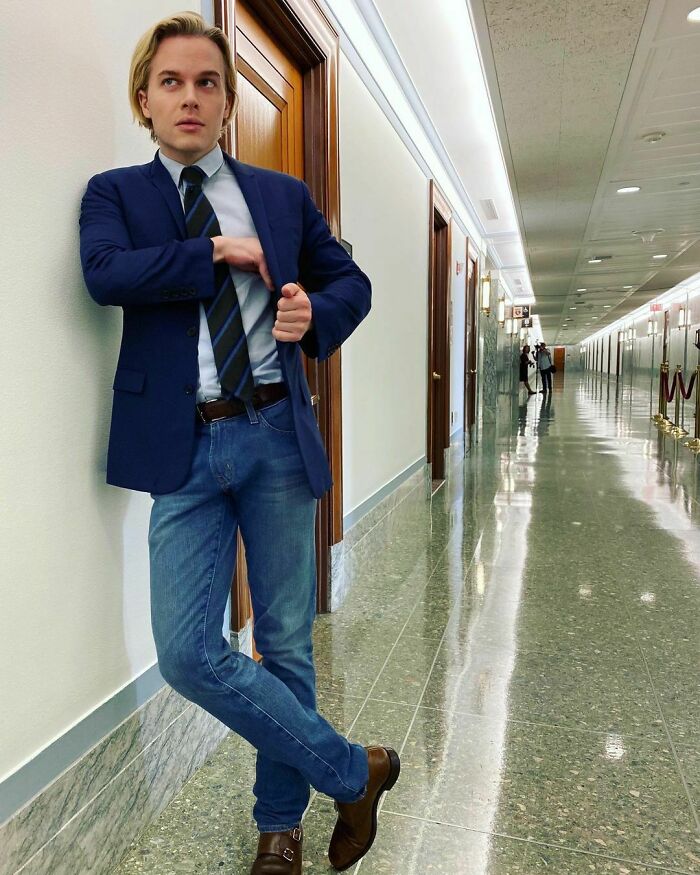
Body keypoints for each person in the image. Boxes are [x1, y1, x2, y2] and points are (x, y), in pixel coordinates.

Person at [78, 13, 400, 874]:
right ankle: (350, 769)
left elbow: (350, 282)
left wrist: (312, 316)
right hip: (178, 448)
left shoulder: (283, 194)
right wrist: (212, 249)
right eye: (172, 83)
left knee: (285, 640)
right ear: (144, 100)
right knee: (188, 652)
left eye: (208, 82)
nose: (190, 97)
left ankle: (278, 826)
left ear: (227, 103)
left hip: (273, 435)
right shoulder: (116, 193)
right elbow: (105, 274)